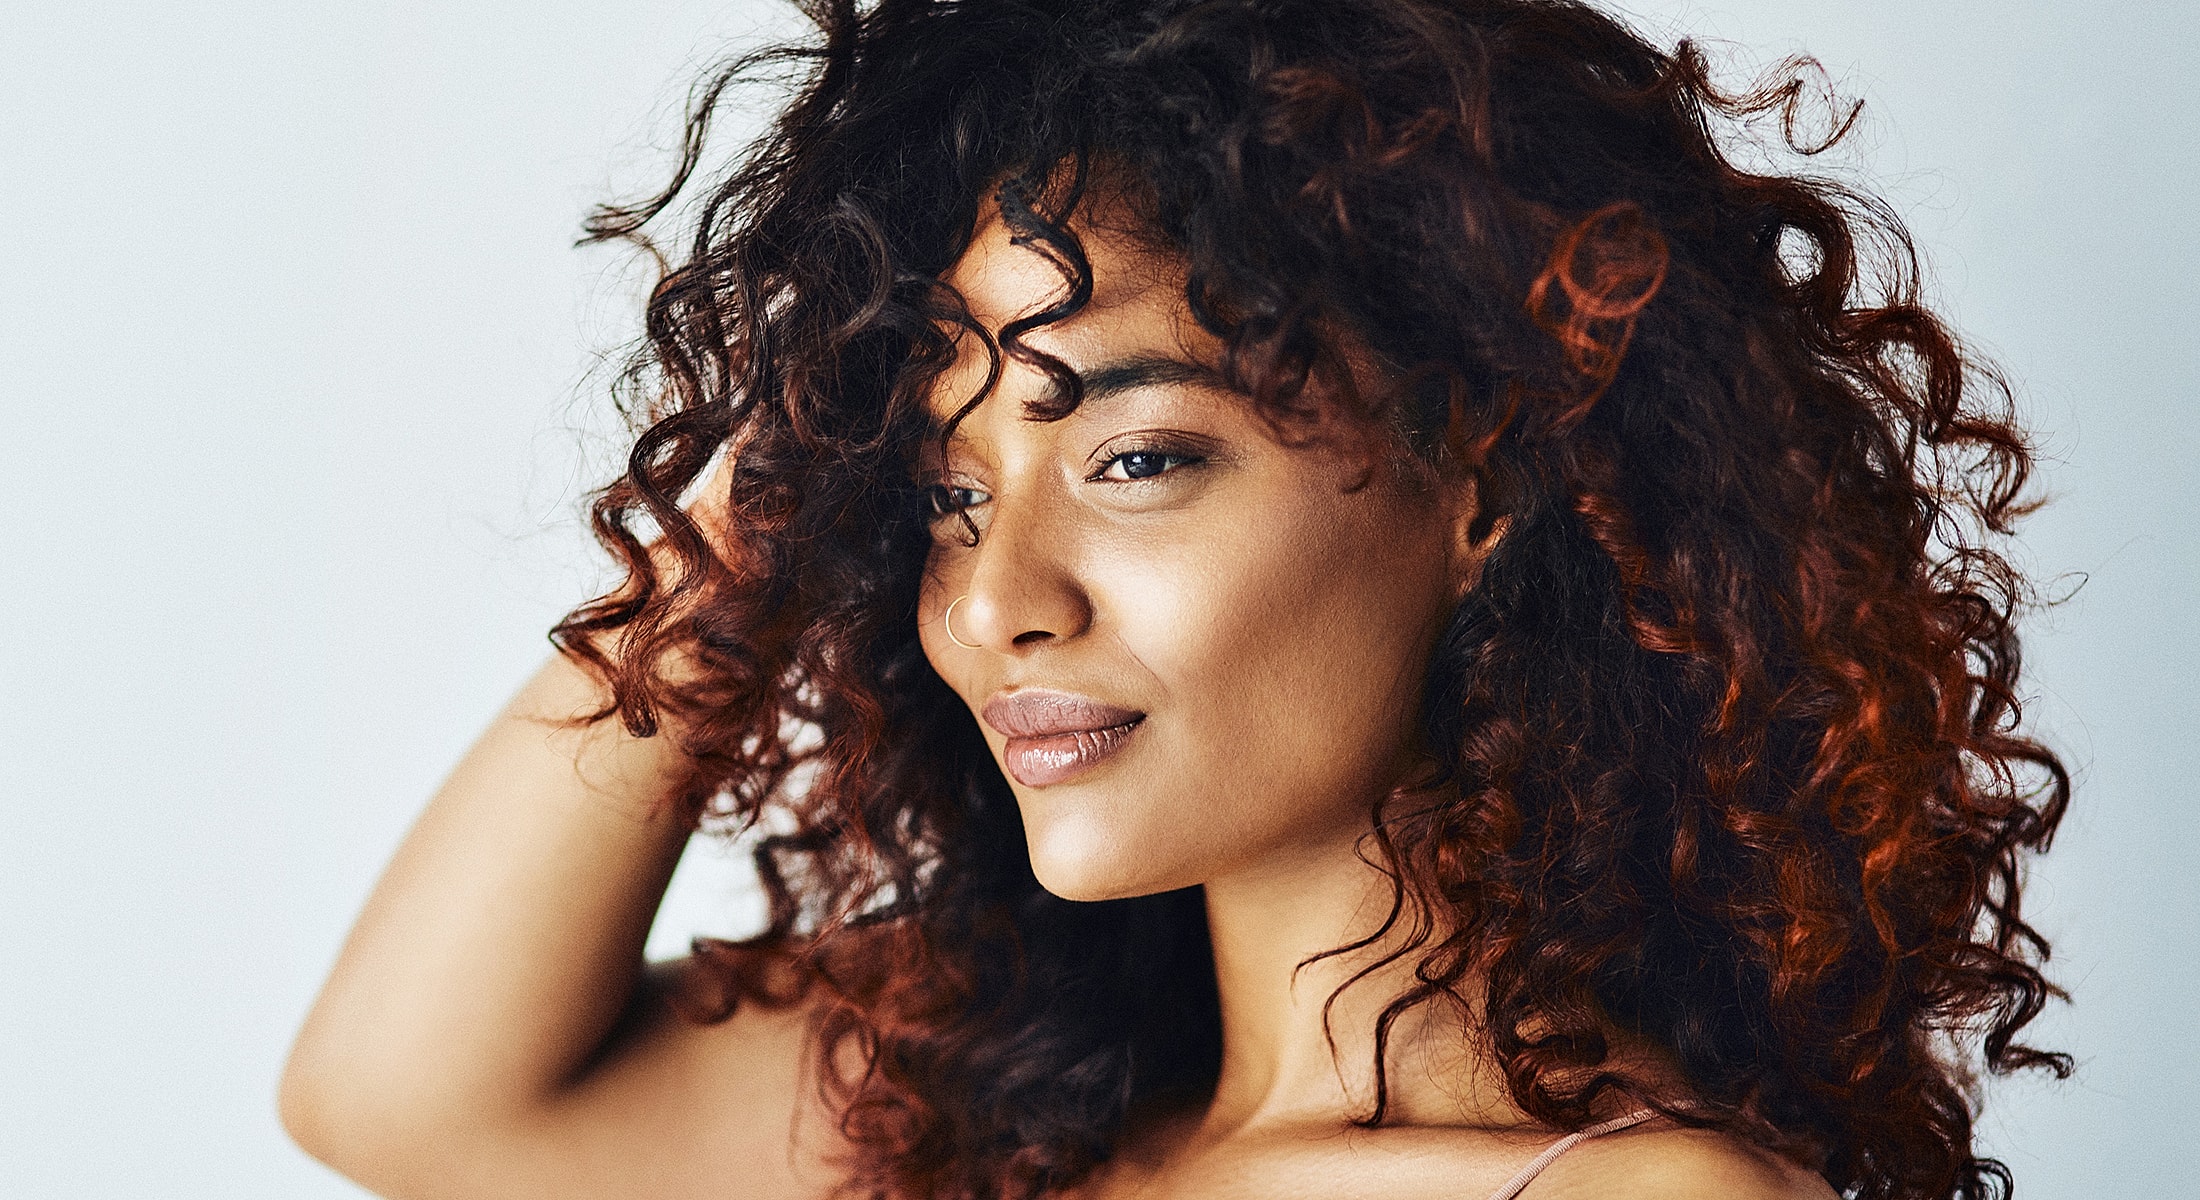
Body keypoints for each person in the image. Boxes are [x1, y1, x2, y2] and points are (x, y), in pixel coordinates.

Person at [278, 2, 2073, 1198]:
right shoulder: (990, 1100)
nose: (993, 606)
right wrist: (790, 449)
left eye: (1135, 458)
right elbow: (402, 1098)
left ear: (1492, 475)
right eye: (945, 496)